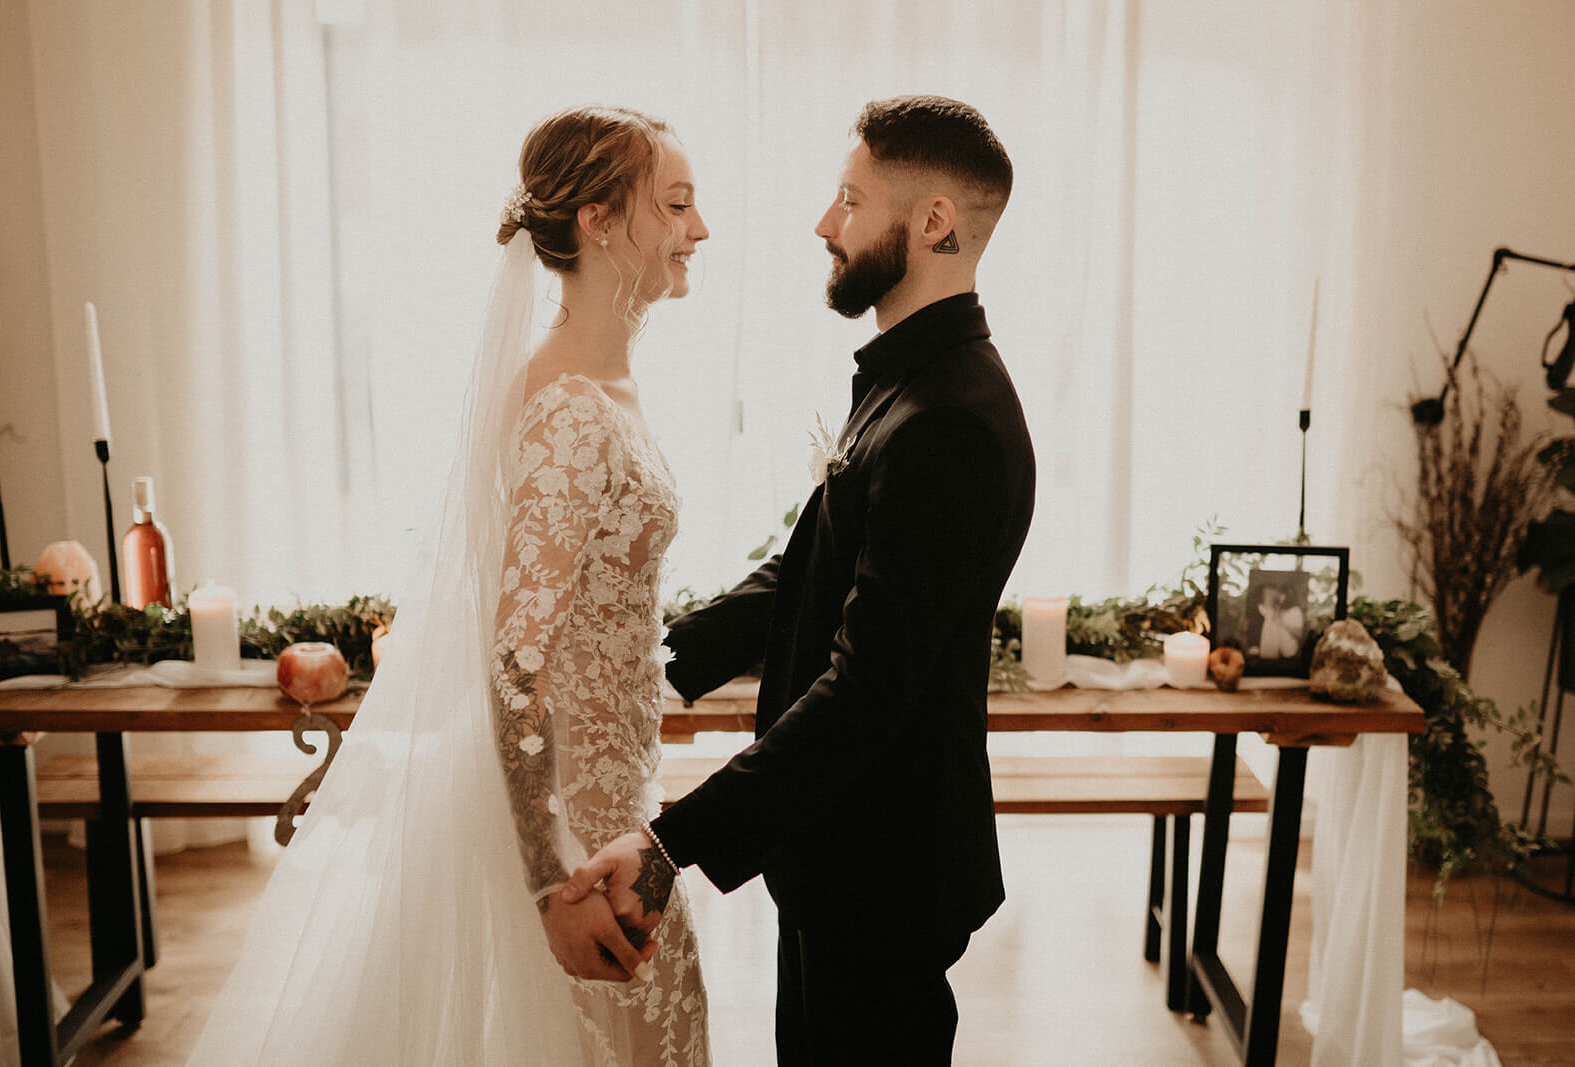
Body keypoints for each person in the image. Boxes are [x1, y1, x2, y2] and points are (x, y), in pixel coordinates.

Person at [188, 105, 711, 1066]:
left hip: (624, 805)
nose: (700, 230)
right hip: (581, 839)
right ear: (599, 222)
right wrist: (552, 881)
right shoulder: (571, 413)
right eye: (676, 204)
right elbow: (516, 664)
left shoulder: (604, 387)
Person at [566, 95, 1037, 1065]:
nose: (825, 223)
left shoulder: (949, 421)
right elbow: (804, 571)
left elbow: (866, 690)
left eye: (849, 199)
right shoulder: (912, 382)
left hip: (885, 866)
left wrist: (671, 841)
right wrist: (649, 664)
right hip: (838, 850)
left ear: (933, 222)